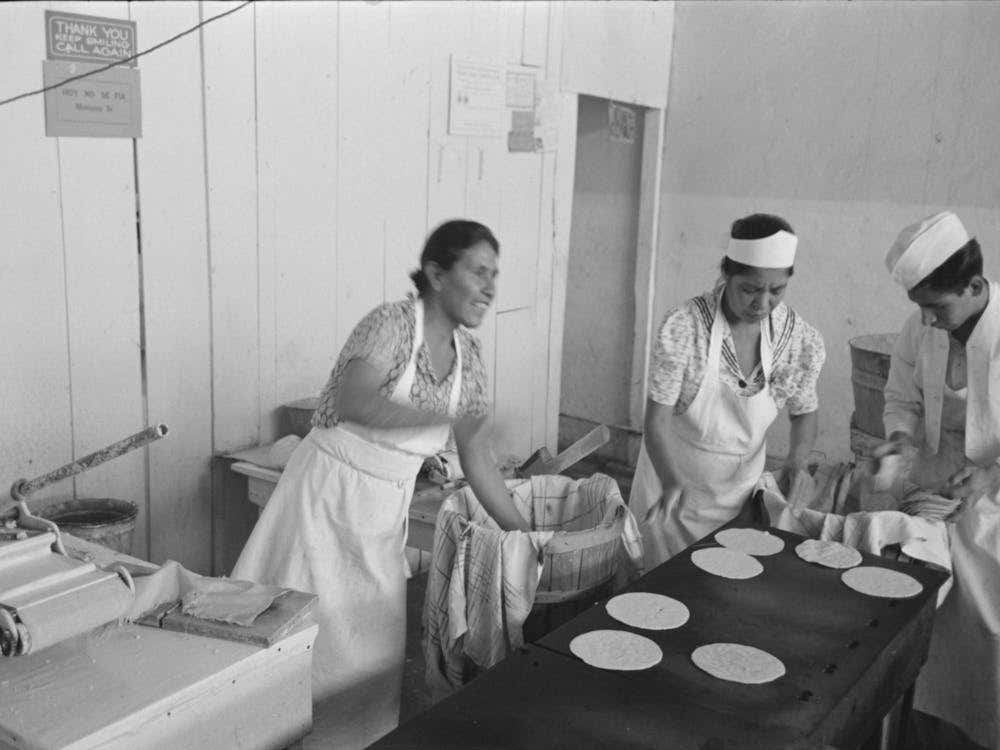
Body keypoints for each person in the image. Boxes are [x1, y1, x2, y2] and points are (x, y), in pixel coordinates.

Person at [232, 219, 529, 749]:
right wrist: (440, 422)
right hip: (324, 499)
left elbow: (476, 454)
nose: (489, 287)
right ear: (437, 274)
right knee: (298, 639)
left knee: (368, 652)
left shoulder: (471, 360)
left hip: (381, 512)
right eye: (477, 272)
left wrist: (523, 533)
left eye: (494, 275)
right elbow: (357, 401)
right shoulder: (391, 325)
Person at [629, 213, 826, 567]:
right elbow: (655, 422)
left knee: (724, 583)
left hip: (738, 495)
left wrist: (798, 459)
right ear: (727, 273)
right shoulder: (685, 328)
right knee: (654, 587)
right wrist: (672, 481)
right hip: (669, 487)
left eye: (776, 291)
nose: (762, 304)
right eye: (749, 289)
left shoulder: (797, 340)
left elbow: (804, 411)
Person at [879, 211, 1000, 750]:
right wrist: (900, 441)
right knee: (909, 589)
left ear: (975, 286)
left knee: (981, 617)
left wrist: (991, 474)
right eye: (920, 308)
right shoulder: (921, 327)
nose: (927, 321)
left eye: (937, 307)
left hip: (993, 495)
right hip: (934, 483)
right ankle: (911, 730)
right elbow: (901, 399)